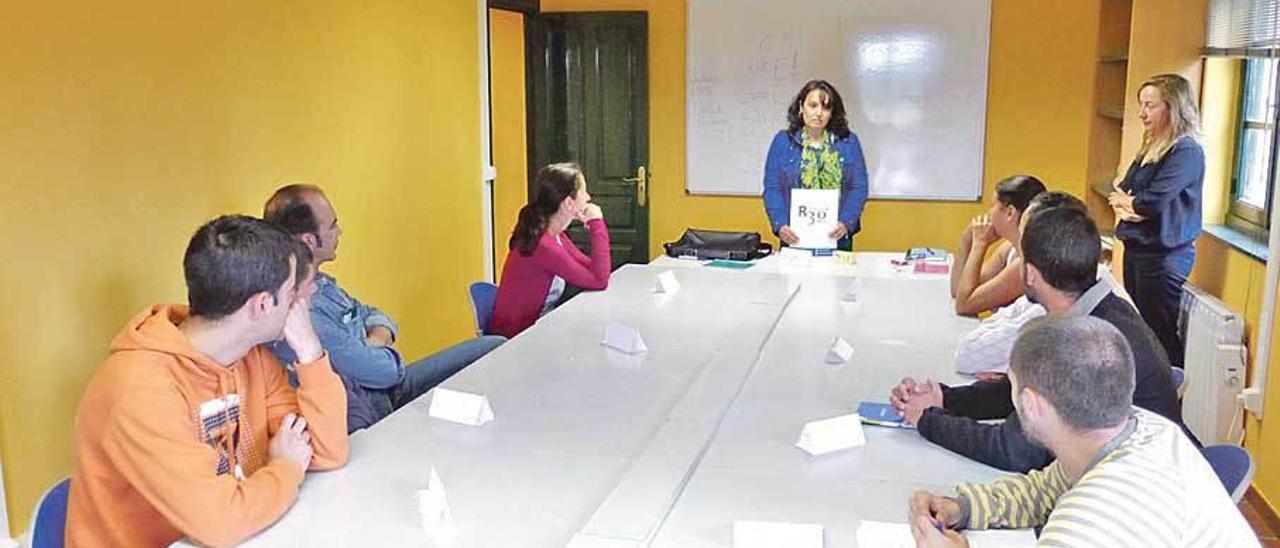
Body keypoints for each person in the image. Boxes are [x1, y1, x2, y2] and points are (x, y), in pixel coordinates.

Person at [66, 216, 349, 547]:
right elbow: (220, 524)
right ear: (262, 305)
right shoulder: (139, 391)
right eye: (291, 293)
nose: (299, 303)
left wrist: (310, 352)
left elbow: (327, 453)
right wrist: (285, 468)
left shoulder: (251, 359)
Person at [907, 316, 1256, 548]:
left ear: (1031, 404)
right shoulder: (1137, 429)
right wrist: (962, 507)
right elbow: (1043, 490)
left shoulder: (1099, 515)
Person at [892, 206, 1186, 473]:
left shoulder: (1084, 344)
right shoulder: (1103, 310)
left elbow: (1013, 450)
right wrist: (945, 398)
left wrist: (928, 419)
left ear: (1029, 274)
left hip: (1140, 488)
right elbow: (1028, 393)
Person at [264, 184, 505, 432]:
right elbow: (386, 372)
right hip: (381, 407)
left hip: (391, 386)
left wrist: (370, 343)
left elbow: (374, 314)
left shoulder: (322, 283)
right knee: (477, 398)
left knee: (493, 346)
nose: (340, 232)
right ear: (309, 240)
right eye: (333, 225)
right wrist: (380, 347)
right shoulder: (305, 311)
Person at [1109, 73, 1204, 369]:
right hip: (1137, 248)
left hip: (1164, 256)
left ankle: (1167, 400)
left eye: (1150, 105)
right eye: (1141, 104)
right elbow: (1121, 189)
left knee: (1159, 332)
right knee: (1141, 328)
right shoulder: (1151, 144)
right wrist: (1132, 204)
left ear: (1171, 107)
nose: (1142, 113)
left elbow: (1152, 201)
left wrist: (1136, 204)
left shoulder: (1186, 150)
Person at [489, 163, 611, 338]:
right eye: (584, 192)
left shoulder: (555, 236)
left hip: (538, 327)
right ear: (569, 203)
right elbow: (599, 280)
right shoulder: (544, 246)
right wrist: (596, 223)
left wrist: (595, 226)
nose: (588, 197)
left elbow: (595, 271)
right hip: (518, 341)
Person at [762, 79, 869, 250]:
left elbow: (859, 186)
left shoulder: (848, 142)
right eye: (813, 105)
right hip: (794, 236)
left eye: (826, 107)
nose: (819, 113)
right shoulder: (783, 141)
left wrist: (846, 222)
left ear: (832, 112)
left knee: (838, 277)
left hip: (837, 236)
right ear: (801, 107)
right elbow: (772, 187)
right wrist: (780, 225)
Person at [950, 175, 1046, 316]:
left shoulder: (1028, 262)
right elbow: (958, 290)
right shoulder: (1010, 248)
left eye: (992, 206)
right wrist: (966, 241)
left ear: (1009, 213)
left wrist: (979, 244)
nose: (989, 213)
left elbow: (964, 304)